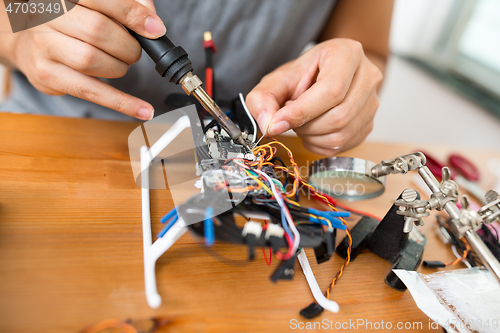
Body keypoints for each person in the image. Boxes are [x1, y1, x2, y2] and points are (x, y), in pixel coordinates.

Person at [0, 0, 393, 156]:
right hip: (52, 137)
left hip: (209, 156)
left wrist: (346, 84)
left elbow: (368, 48)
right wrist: (21, 25)